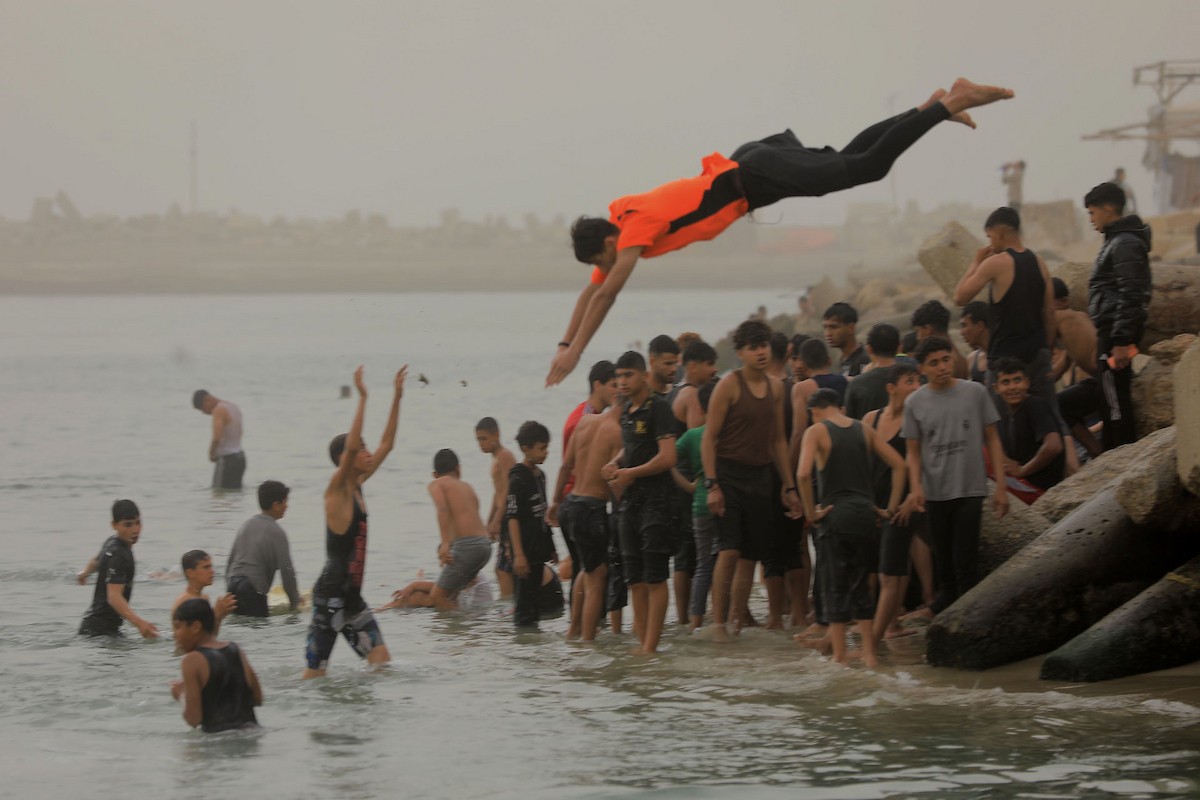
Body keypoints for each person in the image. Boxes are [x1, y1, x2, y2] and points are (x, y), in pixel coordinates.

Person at [545, 79, 1015, 386]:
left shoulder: (635, 230)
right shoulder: (621, 216)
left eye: (600, 262)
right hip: (751, 169)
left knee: (867, 168)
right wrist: (565, 345)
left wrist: (577, 352)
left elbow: (607, 296)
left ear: (608, 243)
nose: (603, 272)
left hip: (756, 175)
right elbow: (591, 294)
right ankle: (929, 106)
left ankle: (952, 101)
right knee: (851, 157)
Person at [303, 365, 406, 679]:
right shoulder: (337, 490)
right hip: (329, 597)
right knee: (315, 674)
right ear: (345, 459)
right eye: (363, 448)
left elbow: (388, 444)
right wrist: (362, 397)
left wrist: (397, 396)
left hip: (351, 597)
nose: (369, 452)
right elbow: (349, 448)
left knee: (381, 661)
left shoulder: (359, 486)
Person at [702, 321, 802, 640]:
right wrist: (712, 484)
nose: (761, 351)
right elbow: (709, 438)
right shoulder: (729, 385)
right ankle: (718, 623)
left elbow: (779, 442)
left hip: (761, 476)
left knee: (749, 555)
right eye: (753, 346)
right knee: (729, 550)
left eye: (764, 345)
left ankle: (736, 623)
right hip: (728, 474)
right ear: (741, 352)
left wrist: (788, 486)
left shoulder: (775, 387)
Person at [797, 388, 906, 667]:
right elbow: (899, 465)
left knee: (836, 585)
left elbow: (803, 473)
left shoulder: (817, 431)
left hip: (835, 517)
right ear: (840, 407)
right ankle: (870, 655)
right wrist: (888, 509)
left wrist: (812, 512)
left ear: (815, 411)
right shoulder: (864, 429)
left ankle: (841, 656)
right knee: (861, 586)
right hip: (865, 517)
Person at [903, 337, 1008, 616]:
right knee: (944, 561)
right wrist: (915, 487)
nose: (942, 367)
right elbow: (913, 452)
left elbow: (993, 439)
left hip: (970, 487)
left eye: (946, 360)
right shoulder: (914, 402)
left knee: (966, 559)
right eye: (934, 363)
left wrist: (1001, 487)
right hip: (935, 491)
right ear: (922, 368)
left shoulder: (975, 392)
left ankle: (968, 618)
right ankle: (947, 615)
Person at [1058, 182, 1151, 454]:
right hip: (1111, 332)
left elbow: (1132, 293)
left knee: (1114, 400)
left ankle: (1122, 457)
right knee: (1108, 395)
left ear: (1109, 208)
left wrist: (1121, 340)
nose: (1091, 219)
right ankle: (1112, 452)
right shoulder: (1117, 241)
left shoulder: (1124, 243)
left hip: (1114, 334)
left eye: (1092, 212)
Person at [603, 350, 680, 653]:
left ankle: (651, 647)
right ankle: (642, 643)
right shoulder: (626, 411)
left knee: (655, 576)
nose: (621, 382)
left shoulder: (658, 408)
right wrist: (614, 463)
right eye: (618, 376)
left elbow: (668, 456)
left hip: (658, 501)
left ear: (644, 376)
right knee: (634, 578)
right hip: (630, 502)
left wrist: (629, 473)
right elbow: (630, 448)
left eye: (627, 375)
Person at [952, 206, 1057, 410]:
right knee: (1049, 418)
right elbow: (1050, 312)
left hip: (1005, 362)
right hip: (1038, 354)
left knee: (1004, 427)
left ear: (999, 233)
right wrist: (1047, 349)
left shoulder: (996, 263)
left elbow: (960, 297)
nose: (990, 242)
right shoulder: (1039, 261)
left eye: (989, 236)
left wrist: (975, 263)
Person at [862, 364, 929, 642]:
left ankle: (883, 633)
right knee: (877, 567)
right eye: (909, 381)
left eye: (917, 381)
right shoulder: (870, 419)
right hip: (874, 502)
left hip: (905, 502)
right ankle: (888, 625)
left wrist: (913, 497)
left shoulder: (918, 421)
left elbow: (922, 463)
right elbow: (861, 465)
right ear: (891, 388)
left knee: (894, 568)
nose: (916, 387)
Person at [554, 399, 623, 640]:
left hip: (570, 503)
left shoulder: (585, 421)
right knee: (598, 576)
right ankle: (588, 640)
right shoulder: (617, 433)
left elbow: (565, 466)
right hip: (591, 508)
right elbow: (615, 481)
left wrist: (554, 503)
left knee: (586, 568)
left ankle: (573, 630)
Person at [170, 598, 262, 733]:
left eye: (178, 627)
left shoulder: (191, 661)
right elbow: (258, 698)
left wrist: (181, 694)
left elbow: (193, 719)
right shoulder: (235, 649)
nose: (174, 635)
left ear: (196, 627)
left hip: (219, 743)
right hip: (253, 733)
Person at [424, 449, 494, 610]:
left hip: (468, 545)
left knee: (437, 597)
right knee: (454, 594)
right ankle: (471, 624)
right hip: (485, 546)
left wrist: (445, 544)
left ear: (435, 474)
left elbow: (442, 509)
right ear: (459, 469)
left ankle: (461, 630)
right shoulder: (468, 487)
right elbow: (474, 515)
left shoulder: (437, 483)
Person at [78, 499, 158, 639]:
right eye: (127, 525)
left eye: (138, 523)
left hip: (93, 627)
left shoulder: (111, 542)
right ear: (114, 525)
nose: (135, 530)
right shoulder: (120, 555)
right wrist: (140, 624)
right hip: (101, 632)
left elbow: (96, 562)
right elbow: (114, 597)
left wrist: (84, 573)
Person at [673, 382, 717, 631]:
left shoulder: (692, 435)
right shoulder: (726, 433)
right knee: (724, 563)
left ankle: (695, 623)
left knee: (702, 565)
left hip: (700, 505)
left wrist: (688, 485)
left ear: (700, 406)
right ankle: (726, 618)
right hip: (724, 505)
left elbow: (668, 460)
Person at [506, 421, 556, 630]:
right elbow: (512, 517)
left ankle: (533, 644)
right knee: (524, 607)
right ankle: (523, 643)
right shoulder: (518, 479)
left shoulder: (540, 476)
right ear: (526, 449)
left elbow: (543, 513)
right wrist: (518, 554)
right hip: (524, 553)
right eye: (542, 448)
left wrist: (551, 547)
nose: (546, 452)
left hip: (538, 551)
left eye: (547, 447)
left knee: (535, 604)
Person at [226, 480, 302, 617]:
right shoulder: (277, 532)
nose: (287, 506)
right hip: (253, 588)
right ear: (276, 505)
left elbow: (230, 561)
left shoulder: (246, 525)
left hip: (233, 584)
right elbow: (287, 571)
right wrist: (295, 603)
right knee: (259, 629)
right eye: (285, 502)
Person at [992, 358, 1065, 497]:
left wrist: (1023, 471)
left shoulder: (1035, 405)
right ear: (996, 388)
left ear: (1027, 382)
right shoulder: (1004, 418)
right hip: (1023, 487)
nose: (1012, 387)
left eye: (1017, 380)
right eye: (1006, 382)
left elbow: (1054, 446)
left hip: (1043, 491)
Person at [476, 417, 517, 598]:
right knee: (503, 568)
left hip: (510, 518)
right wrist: (490, 520)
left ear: (496, 435)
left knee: (503, 569)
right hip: (503, 517)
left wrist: (499, 520)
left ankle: (508, 608)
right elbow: (497, 492)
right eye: (478, 440)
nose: (481, 444)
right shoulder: (495, 459)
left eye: (484, 439)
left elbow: (510, 490)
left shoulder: (505, 456)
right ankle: (508, 604)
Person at [844, 323, 902, 419]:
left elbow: (850, 421)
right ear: (899, 348)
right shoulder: (912, 377)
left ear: (869, 349)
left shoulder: (858, 383)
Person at [172, 550, 235, 635]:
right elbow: (192, 641)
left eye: (211, 567)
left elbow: (209, 638)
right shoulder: (185, 602)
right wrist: (217, 615)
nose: (212, 571)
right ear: (190, 573)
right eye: (206, 567)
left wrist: (219, 617)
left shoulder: (204, 598)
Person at [192, 390, 245, 490]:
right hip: (240, 458)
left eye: (202, 408)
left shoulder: (218, 410)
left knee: (218, 493)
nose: (204, 412)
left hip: (227, 460)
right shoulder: (233, 406)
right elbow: (240, 432)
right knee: (235, 494)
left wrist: (211, 453)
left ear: (207, 399)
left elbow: (217, 437)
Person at [1049, 277, 1098, 385]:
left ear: (1064, 301)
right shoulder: (1082, 316)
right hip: (1104, 367)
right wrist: (1047, 381)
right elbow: (1067, 360)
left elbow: (1044, 347)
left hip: (1105, 369)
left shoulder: (1057, 316)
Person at [911, 300, 969, 380]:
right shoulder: (958, 355)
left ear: (928, 329)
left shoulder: (946, 361)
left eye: (918, 331)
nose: (918, 337)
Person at [823, 302, 870, 377]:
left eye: (834, 327)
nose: (828, 333)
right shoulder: (842, 361)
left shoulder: (865, 361)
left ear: (850, 328)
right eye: (825, 327)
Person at [959, 301, 990, 384]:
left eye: (964, 325)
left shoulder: (1006, 353)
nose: (961, 332)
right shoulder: (972, 359)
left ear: (980, 326)